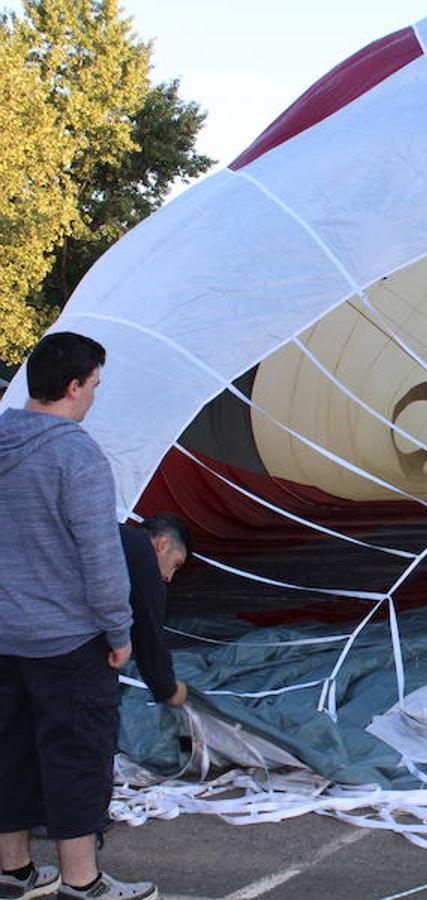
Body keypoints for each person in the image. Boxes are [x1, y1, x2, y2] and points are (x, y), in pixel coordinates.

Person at [0, 332, 157, 900]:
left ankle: (13, 870)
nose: (93, 397)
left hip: (4, 633)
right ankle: (81, 881)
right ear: (72, 387)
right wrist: (120, 630)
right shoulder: (75, 453)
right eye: (93, 386)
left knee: (8, 748)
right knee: (77, 757)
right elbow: (99, 554)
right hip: (67, 639)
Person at [120, 514, 193, 708]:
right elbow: (148, 631)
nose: (169, 577)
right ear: (163, 544)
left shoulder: (112, 534)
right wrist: (168, 689)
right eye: (175, 565)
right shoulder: (144, 558)